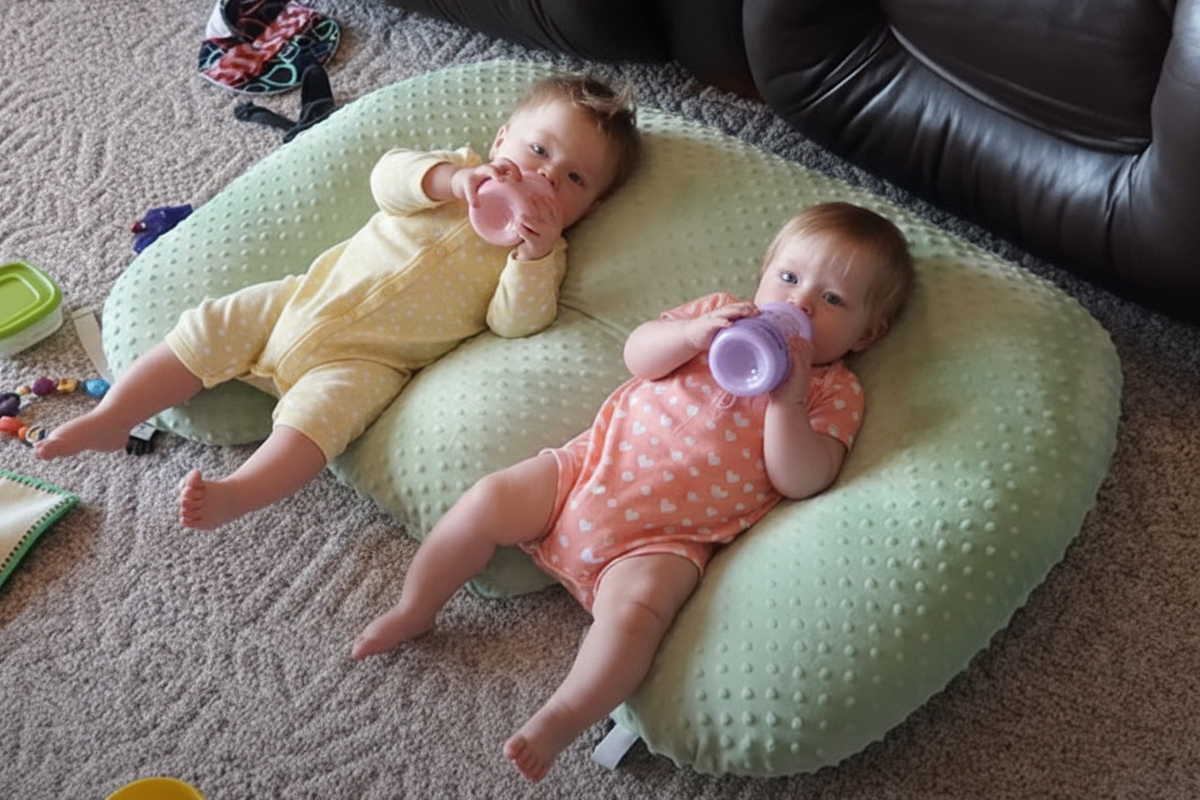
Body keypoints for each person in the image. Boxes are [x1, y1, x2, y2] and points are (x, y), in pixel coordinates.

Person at [350, 201, 916, 781]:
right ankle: (415, 607)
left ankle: (564, 714)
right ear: (764, 273)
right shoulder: (721, 315)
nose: (798, 304)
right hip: (585, 472)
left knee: (638, 617)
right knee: (487, 500)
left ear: (867, 334)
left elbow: (804, 478)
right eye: (790, 278)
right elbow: (638, 355)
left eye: (833, 301)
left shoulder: (833, 392)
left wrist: (787, 402)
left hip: (663, 541)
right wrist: (691, 334)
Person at [34, 73, 640, 531]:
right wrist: (451, 181)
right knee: (208, 326)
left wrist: (531, 258)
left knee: (320, 425)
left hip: (368, 361)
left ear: (589, 209)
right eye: (538, 152)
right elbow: (388, 179)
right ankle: (112, 419)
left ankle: (240, 493)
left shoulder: (543, 256)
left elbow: (516, 324)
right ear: (502, 138)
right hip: (302, 300)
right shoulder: (454, 174)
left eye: (574, 181)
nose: (545, 180)